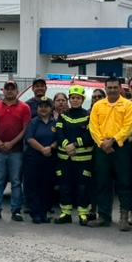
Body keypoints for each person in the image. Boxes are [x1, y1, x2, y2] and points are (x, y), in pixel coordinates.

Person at [87, 75, 132, 229]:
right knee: (102, 182)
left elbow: (129, 126)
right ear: (105, 88)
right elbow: (93, 126)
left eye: (115, 87)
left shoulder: (128, 105)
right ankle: (103, 216)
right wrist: (102, 143)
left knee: (124, 182)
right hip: (102, 148)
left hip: (121, 147)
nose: (113, 90)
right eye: (110, 88)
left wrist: (113, 140)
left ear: (120, 88)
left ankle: (124, 218)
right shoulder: (98, 106)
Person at [0, 80, 31, 221]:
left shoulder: (25, 107)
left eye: (12, 88)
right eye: (7, 88)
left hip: (16, 151)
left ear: (17, 91)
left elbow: (25, 129)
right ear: (3, 90)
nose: (10, 91)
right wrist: (0, 143)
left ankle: (16, 211)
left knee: (16, 181)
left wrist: (11, 143)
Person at [54, 86, 95, 224]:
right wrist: (67, 144)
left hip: (83, 159)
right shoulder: (63, 115)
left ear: (82, 100)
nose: (75, 100)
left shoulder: (88, 116)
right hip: (65, 158)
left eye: (78, 98)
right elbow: (59, 133)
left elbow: (89, 135)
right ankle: (66, 213)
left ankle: (83, 214)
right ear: (69, 99)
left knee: (83, 187)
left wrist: (75, 145)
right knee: (65, 186)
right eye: (72, 98)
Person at [23, 97, 58, 223]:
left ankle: (44, 213)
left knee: (47, 186)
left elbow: (59, 138)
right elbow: (29, 139)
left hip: (49, 159)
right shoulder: (33, 122)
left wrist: (51, 147)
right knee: (34, 186)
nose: (43, 109)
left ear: (51, 108)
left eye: (46, 106)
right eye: (41, 106)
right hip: (34, 159)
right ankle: (35, 214)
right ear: (37, 108)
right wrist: (43, 149)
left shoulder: (55, 123)